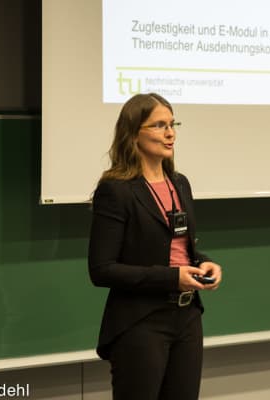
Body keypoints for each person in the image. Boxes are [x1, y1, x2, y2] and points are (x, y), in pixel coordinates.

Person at [88, 93, 222, 400]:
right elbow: (101, 269)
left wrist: (202, 262)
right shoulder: (116, 190)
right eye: (159, 125)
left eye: (173, 124)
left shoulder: (180, 183)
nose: (170, 133)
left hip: (187, 317)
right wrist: (172, 277)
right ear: (133, 133)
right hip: (142, 320)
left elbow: (177, 247)